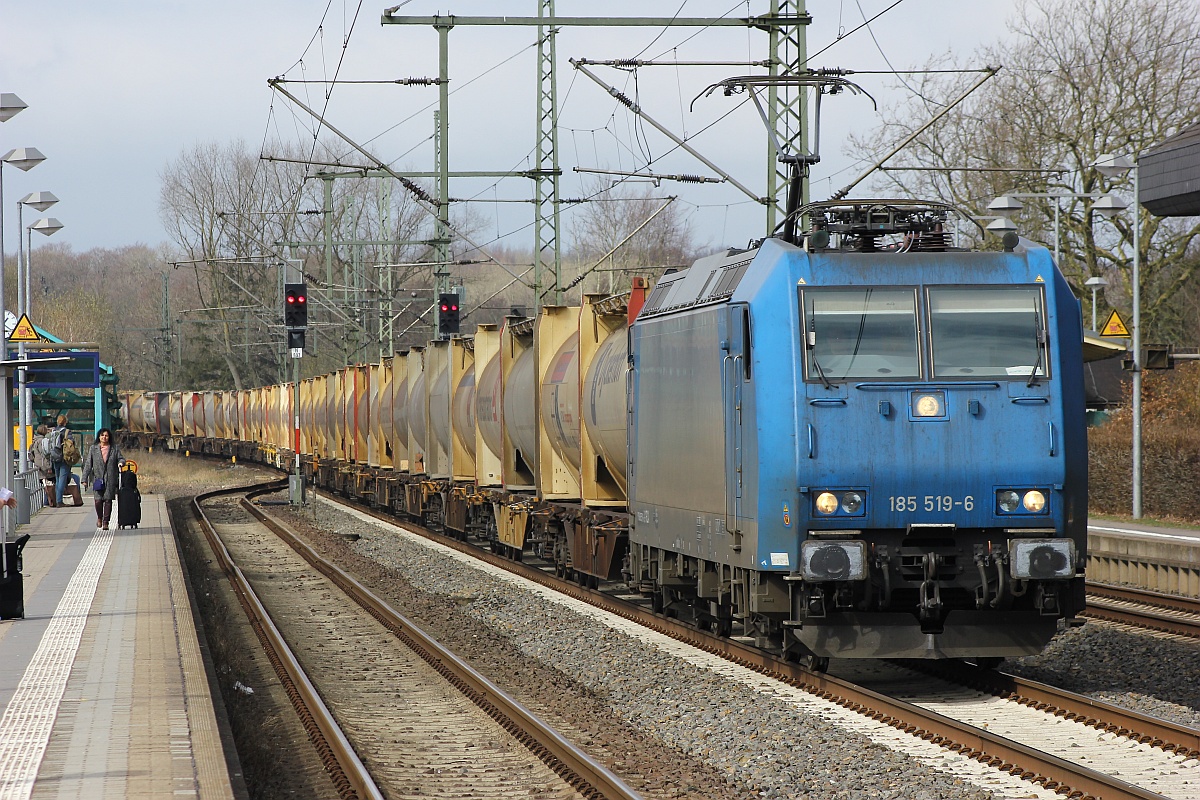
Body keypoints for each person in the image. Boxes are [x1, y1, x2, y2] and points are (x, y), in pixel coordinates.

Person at [82, 428, 124, 530]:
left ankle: (106, 522)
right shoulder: (93, 449)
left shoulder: (114, 448)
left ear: (109, 437)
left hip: (110, 478)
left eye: (106, 435)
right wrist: (84, 478)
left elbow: (121, 458)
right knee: (98, 501)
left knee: (108, 500)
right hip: (98, 478)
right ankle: (99, 518)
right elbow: (88, 464)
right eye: (102, 435)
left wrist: (121, 463)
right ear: (99, 437)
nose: (104, 437)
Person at [49, 415, 72, 507]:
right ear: (65, 422)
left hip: (54, 457)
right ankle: (59, 501)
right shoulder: (66, 432)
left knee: (58, 478)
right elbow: (71, 444)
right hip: (63, 458)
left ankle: (57, 500)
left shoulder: (53, 431)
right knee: (62, 479)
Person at [31, 424, 55, 508]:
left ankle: (45, 502)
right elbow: (45, 455)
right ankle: (48, 501)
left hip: (38, 464)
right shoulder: (42, 441)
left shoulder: (34, 440)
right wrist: (48, 467)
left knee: (44, 484)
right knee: (49, 484)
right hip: (43, 465)